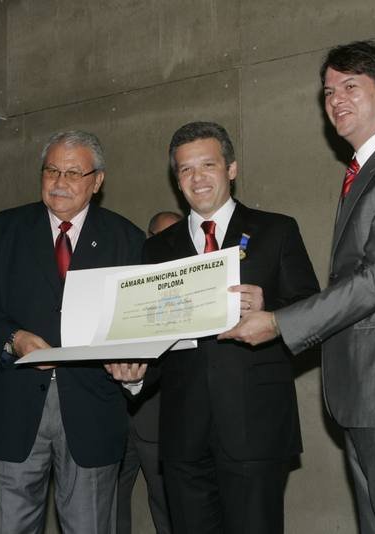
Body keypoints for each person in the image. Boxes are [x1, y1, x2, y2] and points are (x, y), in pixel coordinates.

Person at [219, 41, 375, 534]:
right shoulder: (366, 169)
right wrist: (276, 304)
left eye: (351, 86)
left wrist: (282, 322)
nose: (335, 100)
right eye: (328, 91)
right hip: (367, 391)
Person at [114, 121, 320, 533]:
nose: (197, 177)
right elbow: (155, 339)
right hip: (182, 435)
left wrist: (271, 310)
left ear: (231, 169)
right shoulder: (156, 249)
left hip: (255, 430)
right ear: (177, 180)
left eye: (207, 164)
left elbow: (313, 312)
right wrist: (136, 375)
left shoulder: (277, 231)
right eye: (186, 170)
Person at [0, 130, 144, 534]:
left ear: (98, 181)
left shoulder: (127, 239)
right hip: (13, 408)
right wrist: (13, 338)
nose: (60, 181)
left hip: (93, 412)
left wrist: (137, 366)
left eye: (74, 173)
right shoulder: (2, 231)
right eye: (52, 170)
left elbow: (141, 324)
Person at [116, 210, 181, 534]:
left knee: (168, 507)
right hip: (113, 417)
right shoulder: (127, 284)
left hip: (163, 422)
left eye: (174, 234)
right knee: (110, 508)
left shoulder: (194, 288)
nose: (167, 243)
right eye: (158, 236)